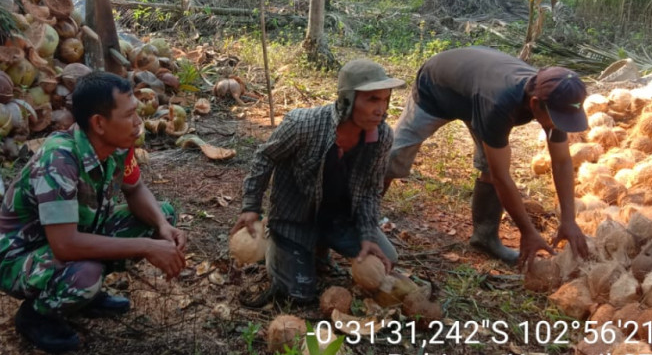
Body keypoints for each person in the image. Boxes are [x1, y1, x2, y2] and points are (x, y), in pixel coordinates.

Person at [0, 72, 187, 353]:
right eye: (128, 115)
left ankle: (85, 296)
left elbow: (135, 189)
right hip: (21, 260)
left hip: (74, 237)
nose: (137, 122)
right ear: (99, 123)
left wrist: (161, 226)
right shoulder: (59, 159)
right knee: (86, 272)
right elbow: (66, 245)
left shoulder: (119, 146)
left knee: (161, 216)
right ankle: (36, 315)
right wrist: (146, 246)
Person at [385, 46, 590, 269]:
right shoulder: (499, 103)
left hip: (476, 90)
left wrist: (569, 220)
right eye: (558, 120)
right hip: (437, 86)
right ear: (534, 104)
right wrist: (528, 232)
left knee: (489, 167)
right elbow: (502, 177)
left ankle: (485, 238)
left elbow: (561, 161)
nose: (560, 126)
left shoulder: (553, 98)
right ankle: (364, 216)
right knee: (394, 156)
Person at [233, 59, 405, 306]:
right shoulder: (304, 125)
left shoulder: (382, 136)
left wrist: (367, 236)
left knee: (387, 259)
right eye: (372, 100)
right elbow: (265, 157)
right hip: (295, 220)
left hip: (340, 220)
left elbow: (370, 190)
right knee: (299, 294)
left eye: (386, 100)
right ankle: (277, 242)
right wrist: (251, 206)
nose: (381, 109)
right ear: (347, 99)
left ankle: (321, 246)